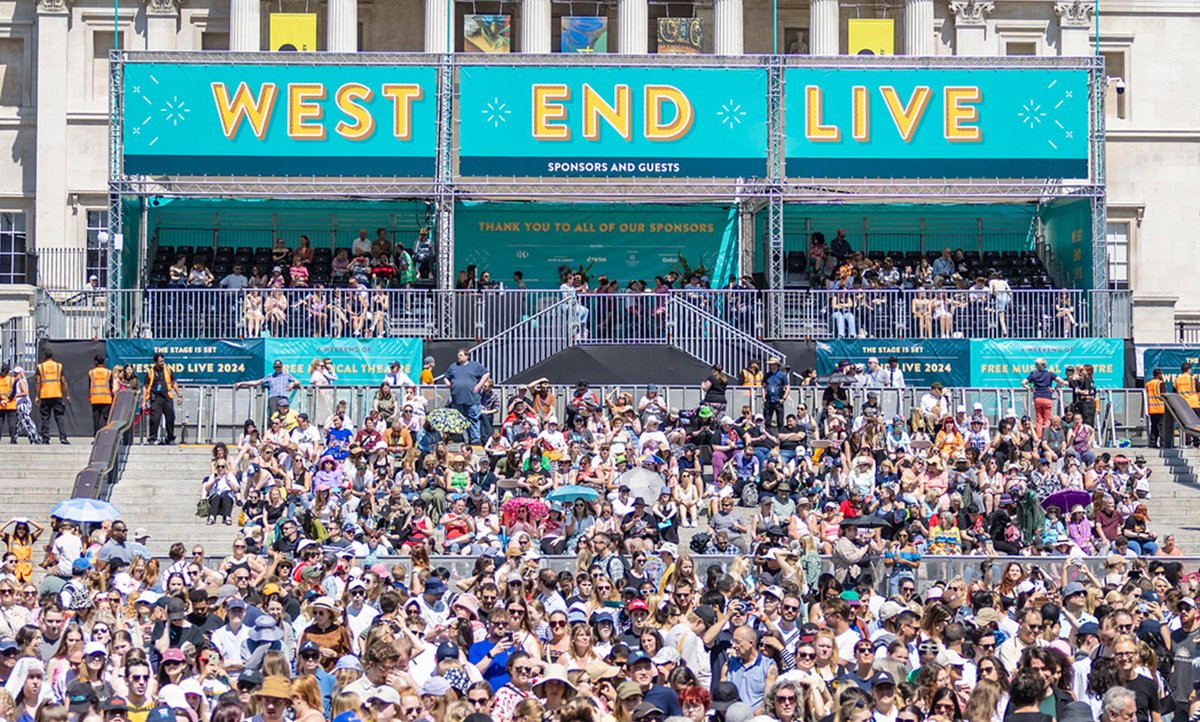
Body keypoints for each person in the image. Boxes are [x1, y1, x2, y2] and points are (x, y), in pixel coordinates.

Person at [444, 348, 489, 445]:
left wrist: (479, 385)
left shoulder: (475, 365)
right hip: (457, 399)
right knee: (457, 420)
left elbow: (486, 373)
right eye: (458, 355)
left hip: (472, 399)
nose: (458, 357)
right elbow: (446, 377)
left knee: (473, 419)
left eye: (461, 355)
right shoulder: (453, 366)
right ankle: (459, 440)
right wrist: (447, 383)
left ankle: (475, 440)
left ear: (467, 356)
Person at [235, 361, 301, 416]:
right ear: (274, 368)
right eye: (276, 367)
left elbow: (297, 381)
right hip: (273, 398)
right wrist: (242, 383)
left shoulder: (286, 375)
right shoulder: (270, 376)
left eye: (279, 367)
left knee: (285, 415)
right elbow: (257, 382)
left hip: (283, 397)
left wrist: (292, 384)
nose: (277, 368)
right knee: (274, 416)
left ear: (281, 367)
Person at [1021, 358, 1064, 440]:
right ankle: (1046, 436)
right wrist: (1054, 388)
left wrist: (1030, 388)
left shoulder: (1034, 375)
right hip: (1047, 397)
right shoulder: (1050, 374)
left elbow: (1023, 382)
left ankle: (1039, 437)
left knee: (1039, 419)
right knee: (1047, 419)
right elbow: (1061, 381)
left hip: (1037, 397)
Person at [143, 353, 180, 445]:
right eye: (160, 361)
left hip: (167, 398)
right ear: (155, 362)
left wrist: (179, 395)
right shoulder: (150, 372)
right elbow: (145, 387)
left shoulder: (168, 370)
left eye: (163, 361)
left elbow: (173, 383)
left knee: (170, 418)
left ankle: (170, 438)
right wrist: (144, 401)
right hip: (156, 398)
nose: (162, 363)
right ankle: (152, 438)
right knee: (154, 419)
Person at [35, 349, 69, 445]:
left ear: (44, 356)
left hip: (45, 395)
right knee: (59, 416)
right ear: (52, 356)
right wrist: (67, 395)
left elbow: (38, 382)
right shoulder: (58, 366)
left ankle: (45, 439)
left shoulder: (40, 367)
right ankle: (63, 437)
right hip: (57, 394)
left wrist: (37, 396)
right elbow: (63, 381)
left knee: (45, 417)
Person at [87, 356, 113, 436]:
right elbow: (111, 386)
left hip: (95, 399)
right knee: (106, 419)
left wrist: (90, 397)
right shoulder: (108, 372)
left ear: (96, 362)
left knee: (96, 420)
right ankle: (106, 435)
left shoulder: (91, 372)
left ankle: (96, 437)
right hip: (106, 398)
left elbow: (90, 386)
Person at [1144, 368, 1166, 448]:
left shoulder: (1148, 384)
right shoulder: (1161, 383)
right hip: (1160, 408)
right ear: (1159, 374)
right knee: (1162, 427)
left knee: (1154, 426)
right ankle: (1163, 443)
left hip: (1152, 409)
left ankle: (1152, 443)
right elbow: (1164, 394)